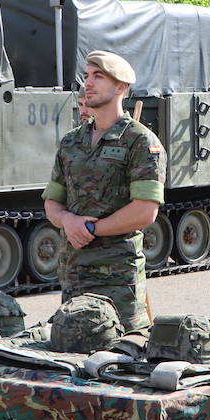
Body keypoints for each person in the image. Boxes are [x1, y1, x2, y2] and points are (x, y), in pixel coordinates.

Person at [43, 51, 165, 332]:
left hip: (117, 283)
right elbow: (52, 202)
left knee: (120, 361)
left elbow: (145, 210)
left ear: (121, 87)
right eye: (87, 76)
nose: (89, 82)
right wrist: (68, 221)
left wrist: (89, 228)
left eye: (99, 76)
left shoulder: (140, 141)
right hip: (73, 276)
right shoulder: (72, 141)